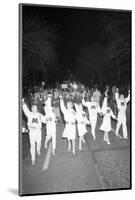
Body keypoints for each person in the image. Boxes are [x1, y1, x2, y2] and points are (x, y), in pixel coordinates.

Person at [22, 98, 46, 165]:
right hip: (31, 133)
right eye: (33, 108)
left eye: (36, 108)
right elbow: (25, 110)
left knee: (39, 143)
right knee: (32, 146)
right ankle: (33, 159)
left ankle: (38, 150)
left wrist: (49, 119)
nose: (35, 109)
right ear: (31, 109)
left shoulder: (39, 115)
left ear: (37, 109)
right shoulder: (29, 114)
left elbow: (45, 120)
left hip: (38, 132)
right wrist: (23, 103)